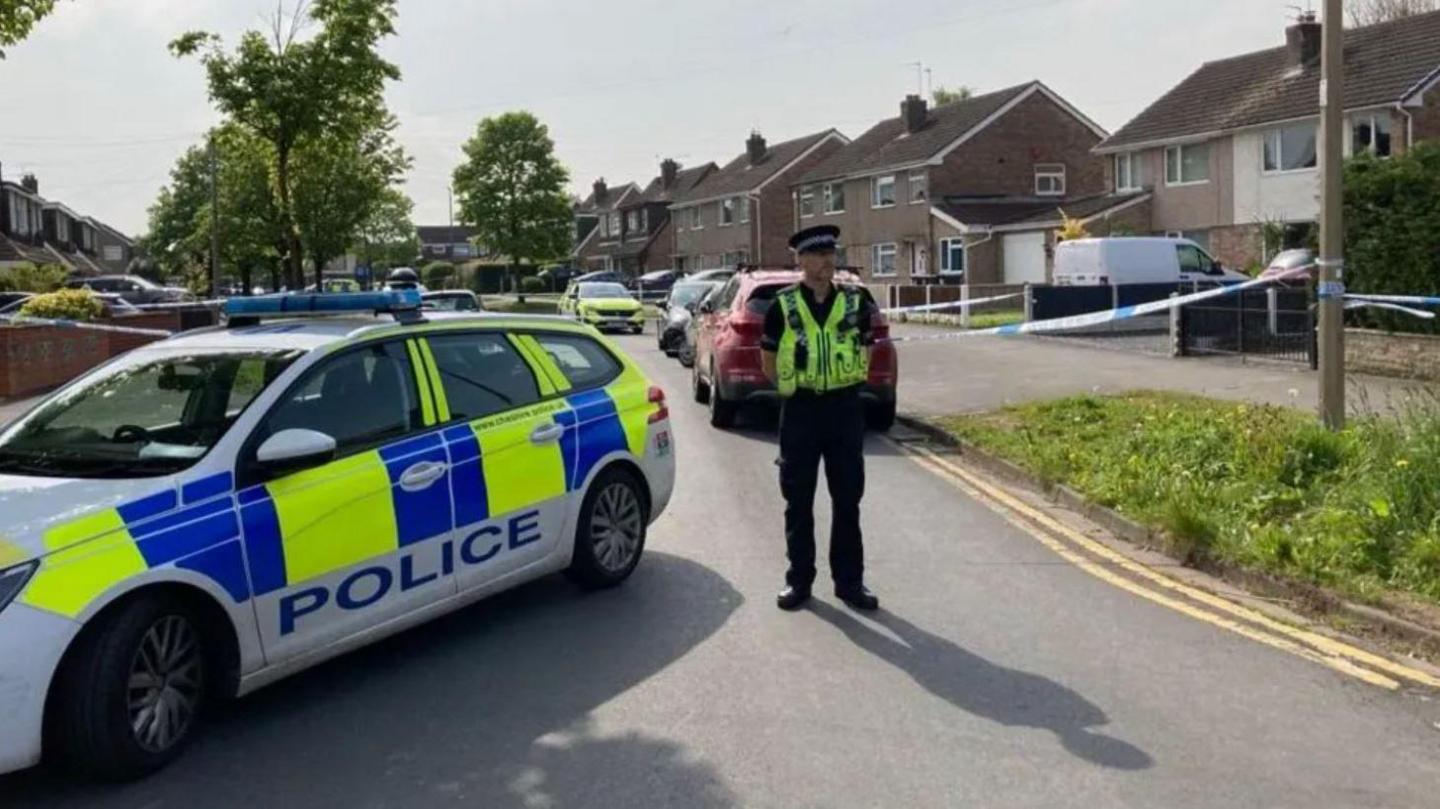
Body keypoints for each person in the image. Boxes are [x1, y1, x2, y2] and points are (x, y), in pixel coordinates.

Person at [760, 224, 879, 612]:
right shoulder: (783, 305)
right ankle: (799, 582)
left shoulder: (856, 300)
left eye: (831, 253)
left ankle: (849, 583)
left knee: (848, 500)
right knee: (798, 502)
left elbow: (868, 348)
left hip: (844, 409)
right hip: (802, 412)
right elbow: (768, 360)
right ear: (801, 260)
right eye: (817, 254)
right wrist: (795, 387)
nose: (827, 260)